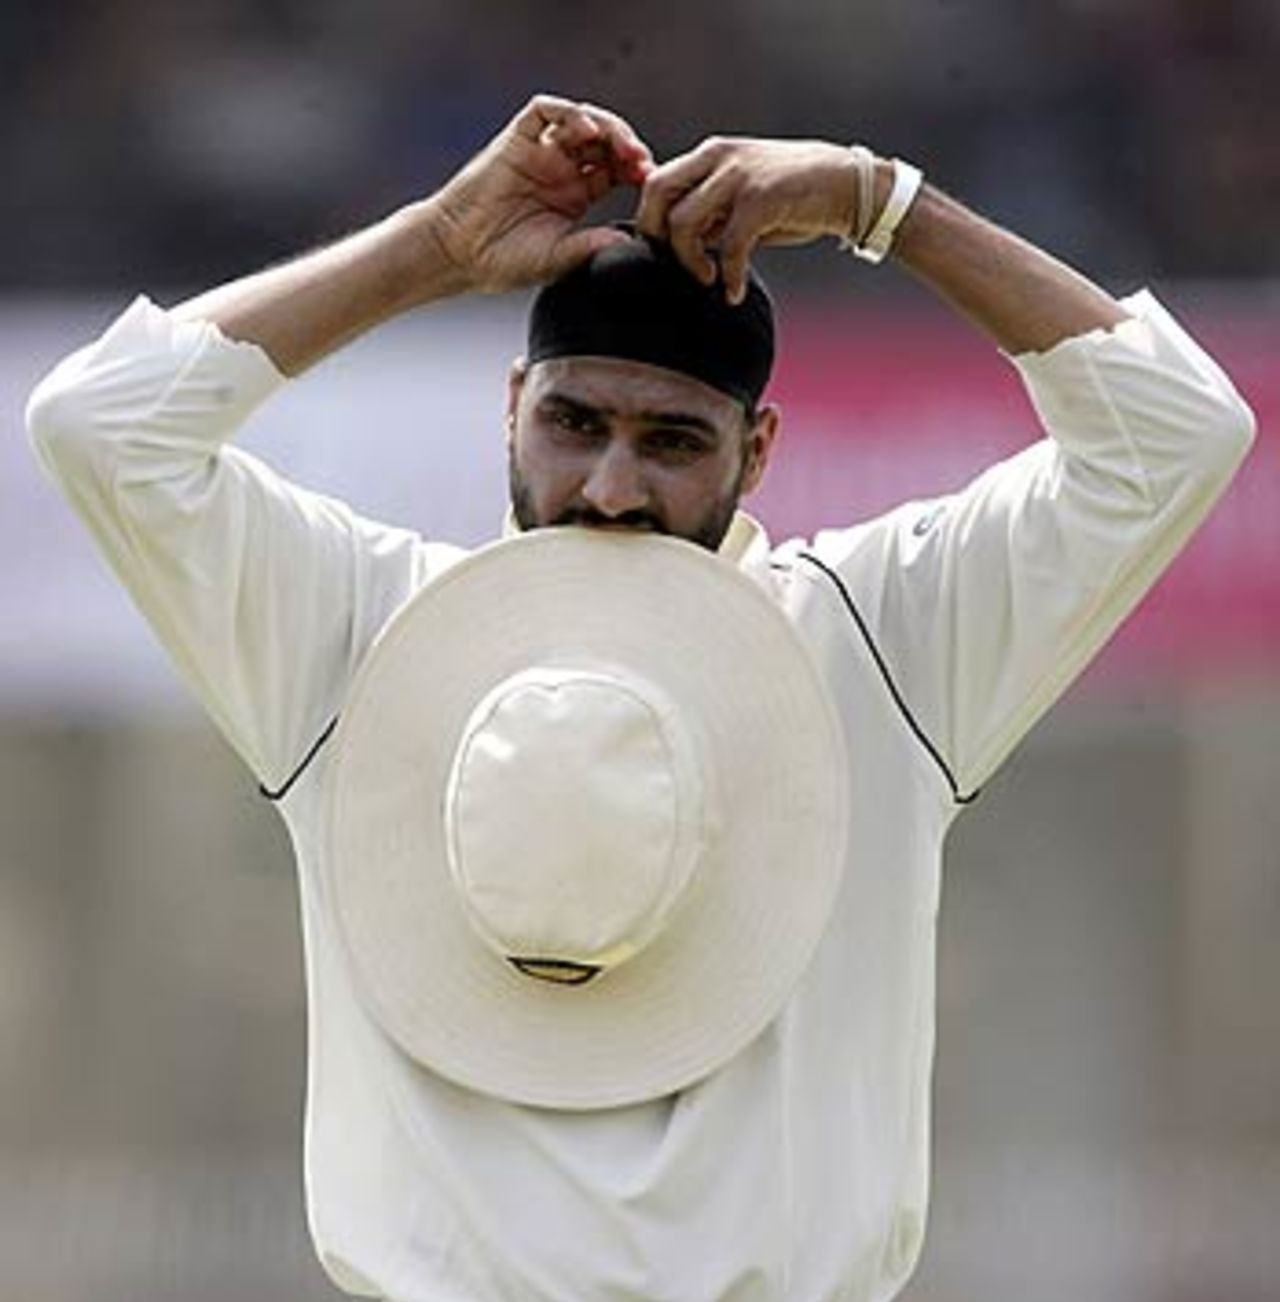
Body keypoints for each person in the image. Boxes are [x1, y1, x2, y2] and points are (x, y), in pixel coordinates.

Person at [27, 94, 1254, 1302]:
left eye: (670, 442)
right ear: (510, 408)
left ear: (757, 450)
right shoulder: (363, 633)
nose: (610, 488)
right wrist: (434, 246)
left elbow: (1175, 433)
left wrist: (878, 201)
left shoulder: (873, 636)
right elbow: (98, 426)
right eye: (574, 423)